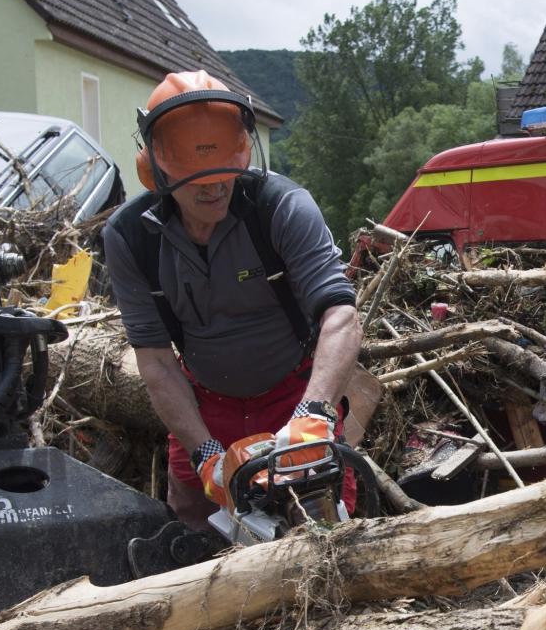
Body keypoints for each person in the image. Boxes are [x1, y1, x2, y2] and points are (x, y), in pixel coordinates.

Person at [103, 70, 362, 530]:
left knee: (325, 536)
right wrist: (205, 454)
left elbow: (340, 315)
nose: (215, 188)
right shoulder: (130, 238)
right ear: (157, 169)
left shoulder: (279, 208)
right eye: (196, 178)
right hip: (202, 406)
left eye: (224, 174)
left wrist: (315, 412)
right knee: (194, 539)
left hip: (293, 393)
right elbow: (157, 362)